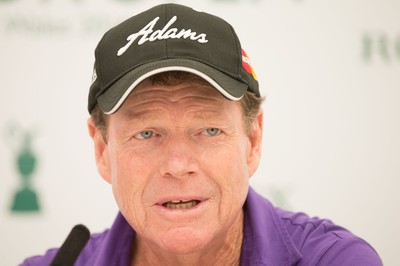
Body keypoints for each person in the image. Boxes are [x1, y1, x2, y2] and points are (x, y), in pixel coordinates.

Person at [21, 3, 383, 266]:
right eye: (147, 133)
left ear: (252, 142)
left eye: (209, 130)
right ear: (102, 150)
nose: (178, 165)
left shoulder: (335, 260)